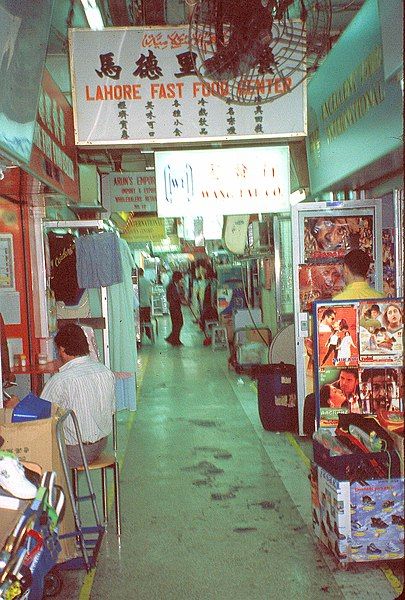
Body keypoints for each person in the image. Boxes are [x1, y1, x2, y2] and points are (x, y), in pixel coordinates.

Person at [41, 323, 115, 467]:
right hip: (101, 445)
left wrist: (16, 406)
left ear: (62, 350)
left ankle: (56, 488)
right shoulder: (105, 372)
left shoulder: (61, 379)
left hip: (76, 452)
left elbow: (40, 416)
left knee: (32, 450)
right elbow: (111, 410)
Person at [165, 271, 184, 346]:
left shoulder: (175, 285)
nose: (180, 280)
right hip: (174, 307)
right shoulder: (171, 286)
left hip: (176, 307)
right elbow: (175, 297)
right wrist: (182, 302)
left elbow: (179, 295)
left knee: (177, 323)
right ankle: (174, 339)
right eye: (179, 278)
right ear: (175, 278)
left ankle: (173, 339)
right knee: (178, 323)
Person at [137, 267, 153, 339]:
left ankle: (140, 335)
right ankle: (148, 334)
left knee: (139, 321)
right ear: (143, 273)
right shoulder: (147, 281)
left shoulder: (137, 282)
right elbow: (150, 293)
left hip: (139, 305)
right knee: (147, 320)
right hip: (147, 304)